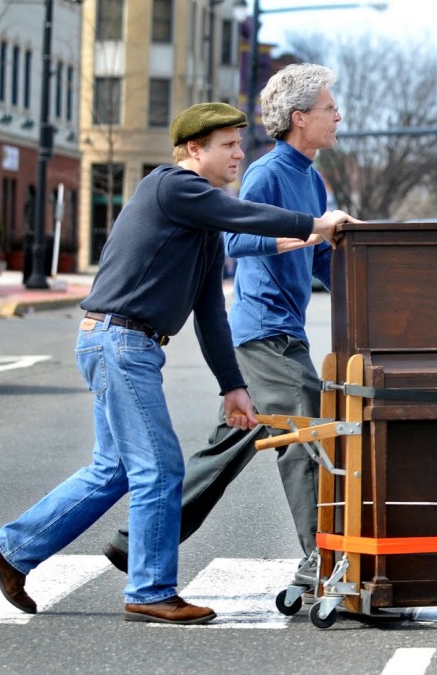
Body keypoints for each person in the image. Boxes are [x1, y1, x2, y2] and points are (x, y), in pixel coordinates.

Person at [0, 102, 357, 625]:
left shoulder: (200, 215)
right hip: (120, 342)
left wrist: (233, 385)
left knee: (113, 469)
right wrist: (317, 224)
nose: (239, 153)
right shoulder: (172, 187)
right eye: (228, 145)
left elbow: (210, 309)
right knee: (158, 468)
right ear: (194, 150)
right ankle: (150, 590)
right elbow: (243, 216)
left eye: (239, 142)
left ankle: (13, 550)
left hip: (123, 343)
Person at [103, 65, 345, 592]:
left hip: (281, 331)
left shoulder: (313, 178)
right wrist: (304, 236)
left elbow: (321, 262)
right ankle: (321, 557)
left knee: (227, 446)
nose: (338, 116)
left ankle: (135, 543)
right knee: (308, 430)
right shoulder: (266, 173)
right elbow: (235, 241)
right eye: (330, 109)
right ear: (300, 119)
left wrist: (365, 269)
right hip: (264, 332)